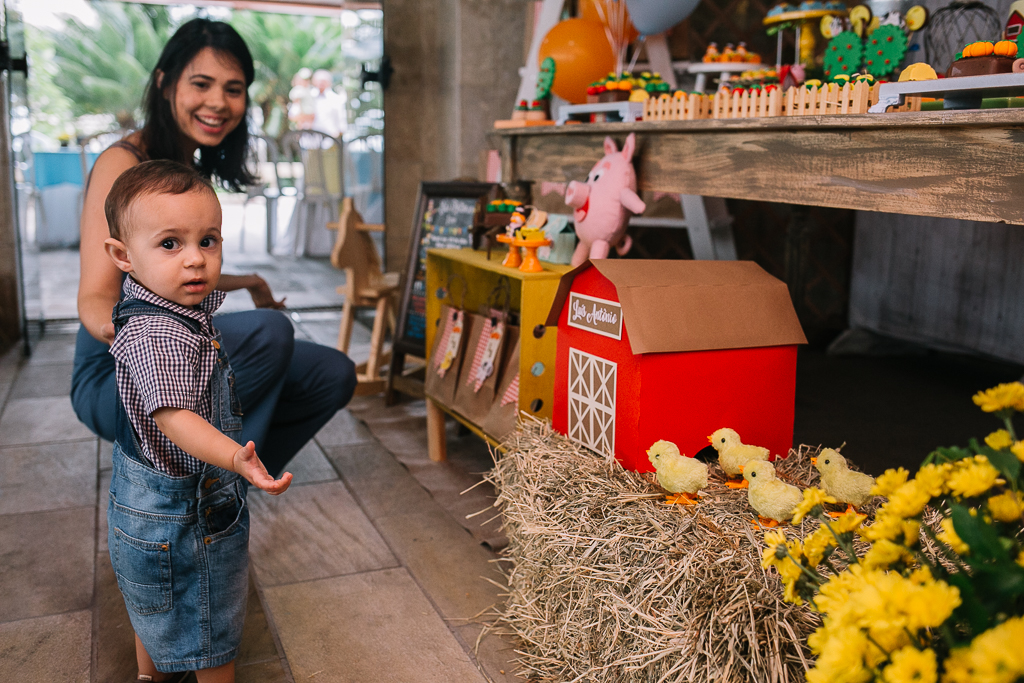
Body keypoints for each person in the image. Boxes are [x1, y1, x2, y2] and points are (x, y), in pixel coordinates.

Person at [72, 18, 356, 480]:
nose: (219, 103)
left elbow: (172, 268)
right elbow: (95, 295)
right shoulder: (123, 164)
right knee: (270, 334)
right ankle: (202, 493)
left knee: (332, 372)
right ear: (165, 84)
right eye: (201, 84)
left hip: (173, 342)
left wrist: (252, 282)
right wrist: (148, 344)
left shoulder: (185, 164)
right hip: (116, 373)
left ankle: (232, 478)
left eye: (234, 88)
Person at [104, 160, 291, 683]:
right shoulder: (159, 334)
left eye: (208, 241)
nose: (195, 260)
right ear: (122, 255)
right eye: (170, 244)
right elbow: (174, 414)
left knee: (155, 602)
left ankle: (149, 676)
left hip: (143, 498)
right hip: (185, 504)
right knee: (211, 625)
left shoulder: (158, 305)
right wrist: (234, 457)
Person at [310, 69, 347, 139]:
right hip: (310, 140)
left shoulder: (336, 99)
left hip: (330, 139)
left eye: (324, 81)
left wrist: (338, 134)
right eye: (319, 81)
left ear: (329, 82)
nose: (321, 83)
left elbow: (341, 121)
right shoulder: (309, 96)